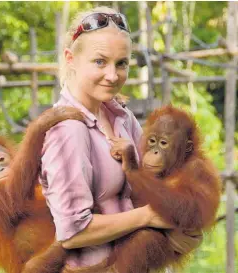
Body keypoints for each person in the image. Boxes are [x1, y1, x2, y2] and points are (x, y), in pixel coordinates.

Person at [39, 6, 202, 273]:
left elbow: (157, 181)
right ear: (71, 58)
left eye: (122, 63)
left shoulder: (120, 116)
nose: (113, 76)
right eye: (100, 62)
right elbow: (72, 232)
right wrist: (150, 215)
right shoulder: (68, 129)